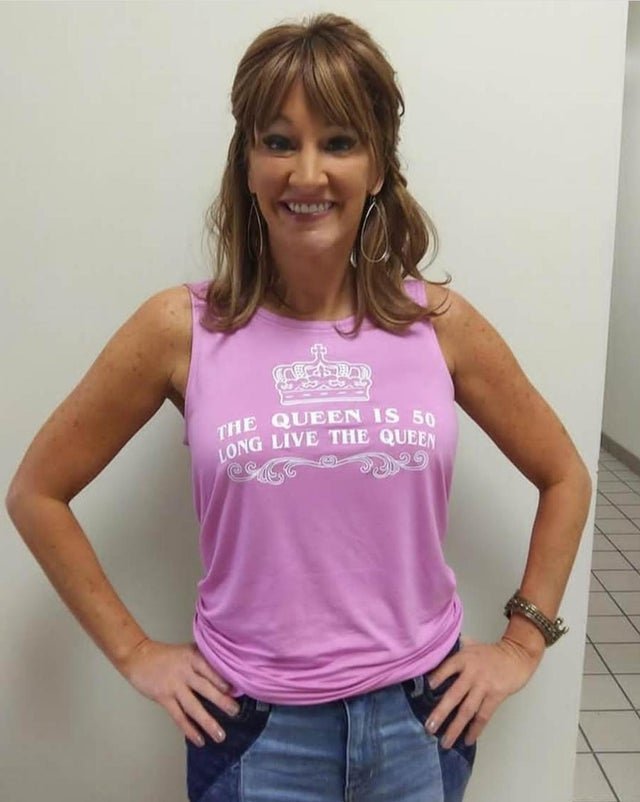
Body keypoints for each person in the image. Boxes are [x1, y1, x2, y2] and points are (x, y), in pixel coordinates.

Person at [6, 12, 592, 802]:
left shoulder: (437, 323)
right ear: (247, 164)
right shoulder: (181, 328)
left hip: (421, 722)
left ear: (377, 166)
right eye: (279, 142)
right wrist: (136, 653)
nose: (307, 174)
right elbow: (37, 492)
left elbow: (565, 475)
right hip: (253, 733)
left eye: (339, 142)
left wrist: (524, 642)